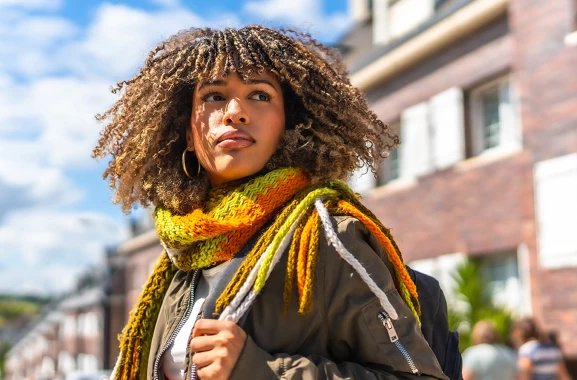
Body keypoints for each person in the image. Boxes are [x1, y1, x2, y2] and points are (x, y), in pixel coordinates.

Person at [94, 26, 449, 380]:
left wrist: (259, 369)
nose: (235, 112)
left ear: (289, 126)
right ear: (187, 132)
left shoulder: (327, 238)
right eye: (214, 96)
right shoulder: (181, 256)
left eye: (260, 95)